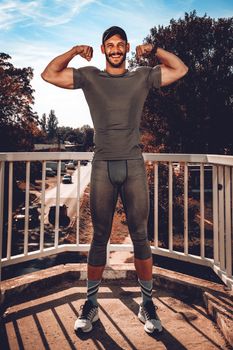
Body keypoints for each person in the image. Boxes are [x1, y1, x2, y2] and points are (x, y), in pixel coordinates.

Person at [41, 26, 188, 334]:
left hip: (133, 164)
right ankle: (91, 304)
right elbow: (49, 75)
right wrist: (74, 51)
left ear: (127, 47)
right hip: (102, 165)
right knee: (99, 238)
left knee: (140, 236)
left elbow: (180, 69)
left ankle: (146, 305)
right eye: (111, 45)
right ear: (103, 48)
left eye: (121, 44)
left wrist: (154, 50)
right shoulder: (90, 76)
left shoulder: (142, 76)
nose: (117, 49)